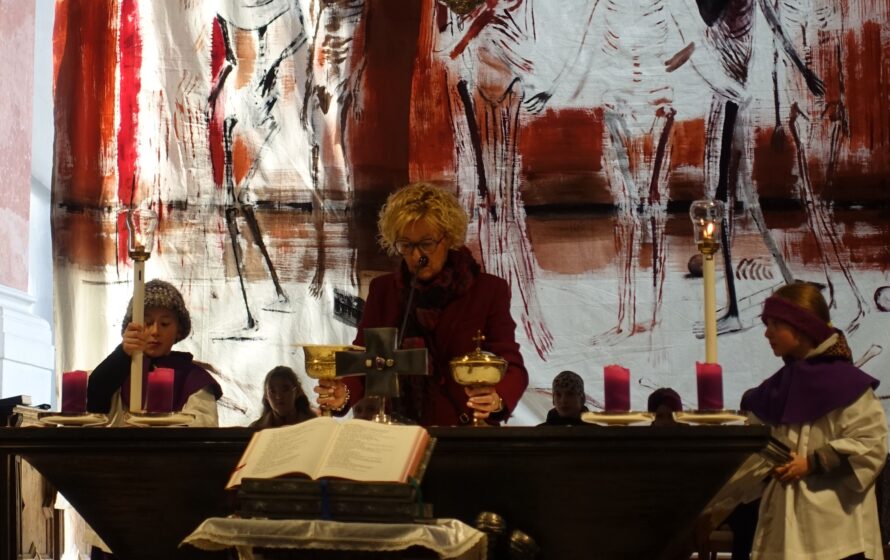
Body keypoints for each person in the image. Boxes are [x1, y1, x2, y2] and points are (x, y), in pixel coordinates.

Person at [315, 182, 529, 426]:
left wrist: (497, 399)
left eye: (426, 243)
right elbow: (366, 361)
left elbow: (512, 365)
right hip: (399, 432)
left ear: (448, 238)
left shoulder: (488, 290)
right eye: (406, 245)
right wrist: (343, 394)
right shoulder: (384, 291)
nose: (417, 256)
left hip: (465, 431)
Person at [740, 282, 887, 560]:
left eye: (775, 324)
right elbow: (754, 446)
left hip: (836, 529)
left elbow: (871, 443)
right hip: (785, 526)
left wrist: (812, 463)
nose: (767, 333)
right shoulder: (773, 390)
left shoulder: (848, 385)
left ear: (803, 326)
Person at [86, 279, 223, 427]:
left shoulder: (193, 378)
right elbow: (94, 403)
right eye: (147, 322)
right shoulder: (115, 373)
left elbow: (204, 426)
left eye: (164, 324)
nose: (155, 331)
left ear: (178, 330)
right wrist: (122, 353)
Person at [250, 366, 316, 428]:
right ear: (266, 396)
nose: (279, 396)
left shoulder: (314, 425)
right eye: (272, 391)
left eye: (285, 390)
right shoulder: (255, 430)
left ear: (297, 391)